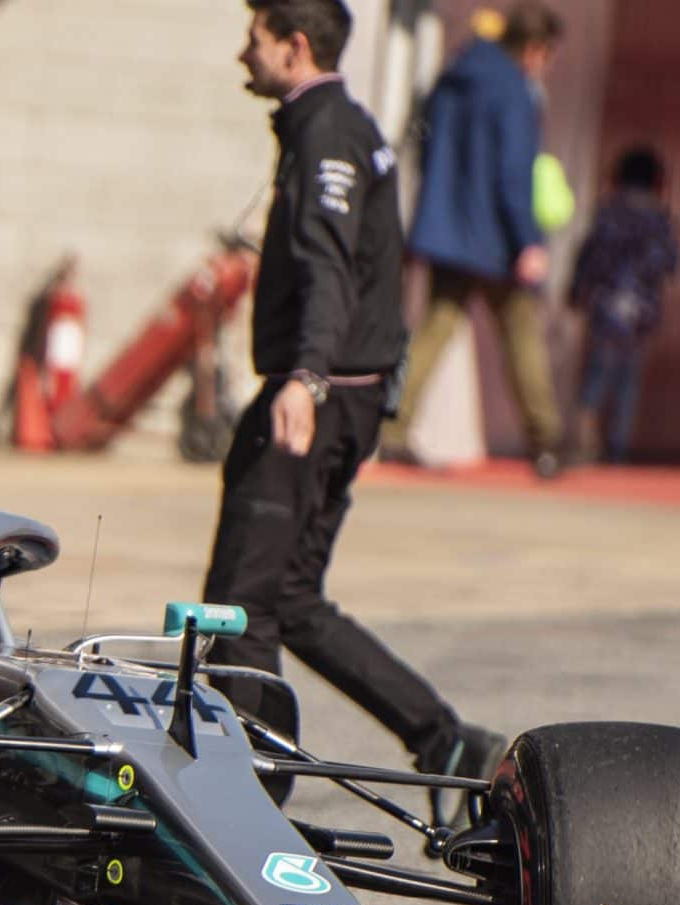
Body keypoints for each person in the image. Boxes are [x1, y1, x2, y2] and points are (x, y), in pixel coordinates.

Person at [203, 0, 504, 802]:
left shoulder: (328, 133)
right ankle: (446, 740)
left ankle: (241, 800)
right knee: (292, 600)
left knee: (241, 604)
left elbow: (327, 265)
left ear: (294, 47)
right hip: (346, 396)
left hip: (320, 397)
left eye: (255, 38)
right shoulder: (337, 124)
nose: (244, 53)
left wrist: (303, 378)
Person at [382, 3, 566, 478]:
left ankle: (392, 425)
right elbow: (512, 173)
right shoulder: (514, 92)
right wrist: (527, 240)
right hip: (496, 237)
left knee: (434, 328)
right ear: (534, 48)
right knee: (522, 334)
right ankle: (546, 439)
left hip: (447, 229)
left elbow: (423, 145)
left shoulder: (452, 78)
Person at [567, 145, 680, 464]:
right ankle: (617, 444)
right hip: (641, 309)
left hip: (605, 303)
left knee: (598, 368)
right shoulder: (660, 218)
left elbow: (589, 255)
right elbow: (671, 263)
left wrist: (577, 289)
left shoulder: (609, 210)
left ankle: (584, 431)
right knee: (629, 376)